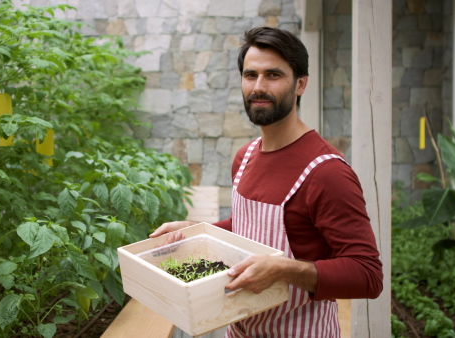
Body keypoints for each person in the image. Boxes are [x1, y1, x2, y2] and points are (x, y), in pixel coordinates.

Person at [150, 27, 383, 337]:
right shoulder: (244, 158)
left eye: (273, 75)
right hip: (240, 328)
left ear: (300, 84)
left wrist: (284, 269)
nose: (258, 87)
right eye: (250, 75)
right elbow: (247, 227)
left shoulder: (326, 172)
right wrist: (196, 232)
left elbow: (367, 275)